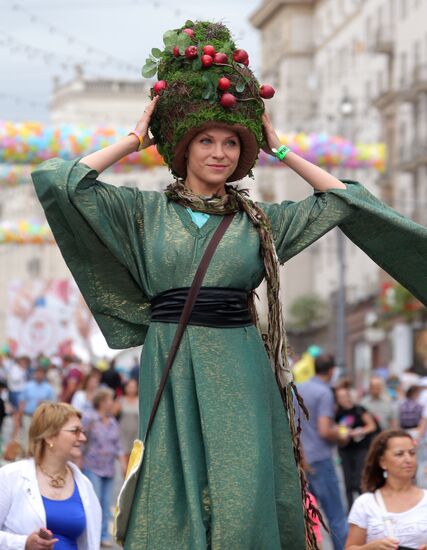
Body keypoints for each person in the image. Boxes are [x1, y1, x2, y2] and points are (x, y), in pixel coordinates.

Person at [31, 20, 427, 550]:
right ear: (182, 147)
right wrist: (133, 139)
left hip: (241, 361)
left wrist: (281, 149)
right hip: (168, 353)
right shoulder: (142, 212)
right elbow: (62, 181)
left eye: (231, 143)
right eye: (204, 140)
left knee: (245, 491)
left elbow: (344, 199)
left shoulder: (262, 221)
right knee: (173, 489)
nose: (219, 152)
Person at [0, 402, 101, 549]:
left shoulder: (84, 484)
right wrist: (24, 543)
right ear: (50, 437)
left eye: (82, 431)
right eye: (75, 431)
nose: (83, 438)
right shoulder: (11, 476)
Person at [297, 353, 349, 549]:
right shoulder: (325, 392)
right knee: (336, 517)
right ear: (331, 370)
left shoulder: (300, 389)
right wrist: (341, 435)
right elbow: (325, 429)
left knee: (307, 517)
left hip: (303, 459)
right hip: (321, 459)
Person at [345, 429, 427, 550]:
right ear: (382, 462)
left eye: (412, 453)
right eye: (399, 454)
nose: (408, 459)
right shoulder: (365, 503)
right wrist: (371, 548)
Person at [82, 386, 126, 547]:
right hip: (92, 465)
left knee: (106, 502)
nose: (112, 403)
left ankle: (102, 534)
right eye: (109, 400)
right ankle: (90, 534)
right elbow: (81, 440)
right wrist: (78, 460)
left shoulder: (113, 421)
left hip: (108, 468)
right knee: (95, 501)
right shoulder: (89, 418)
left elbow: (118, 445)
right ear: (101, 402)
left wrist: (122, 463)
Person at [335, 385, 378, 509]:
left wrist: (359, 432)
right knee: (348, 481)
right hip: (345, 449)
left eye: (345, 396)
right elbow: (335, 431)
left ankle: (364, 506)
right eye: (340, 397)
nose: (344, 399)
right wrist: (342, 435)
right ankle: (350, 509)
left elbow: (372, 426)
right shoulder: (337, 414)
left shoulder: (359, 410)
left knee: (360, 478)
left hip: (361, 448)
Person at [17, 366, 56, 452]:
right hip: (28, 415)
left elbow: (53, 403)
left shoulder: (48, 388)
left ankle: (34, 453)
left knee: (37, 436)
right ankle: (25, 454)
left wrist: (44, 403)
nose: (39, 375)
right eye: (37, 373)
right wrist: (20, 415)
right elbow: (22, 401)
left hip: (40, 417)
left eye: (41, 374)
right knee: (26, 435)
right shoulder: (28, 386)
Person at [117, 378, 139, 467]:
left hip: (136, 433)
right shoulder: (121, 400)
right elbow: (113, 413)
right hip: (123, 433)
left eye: (133, 387)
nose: (131, 389)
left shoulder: (140, 401)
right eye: (129, 387)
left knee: (133, 460)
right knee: (124, 462)